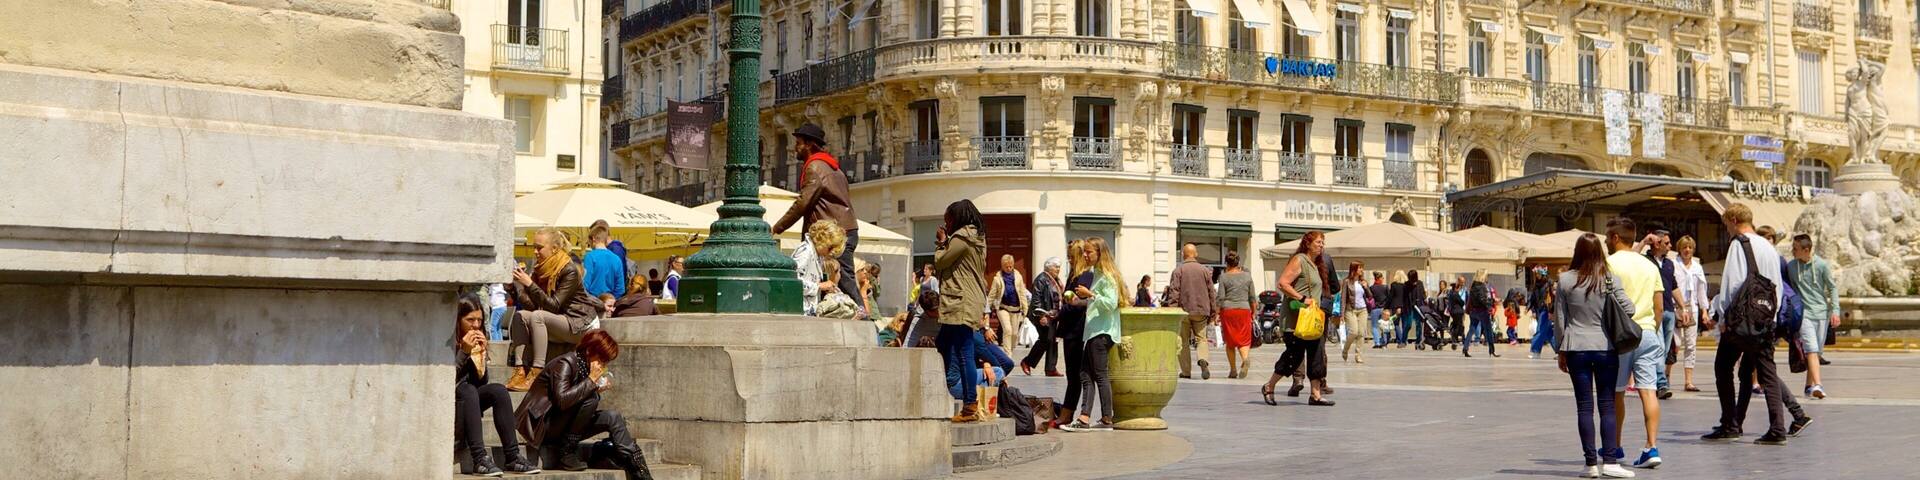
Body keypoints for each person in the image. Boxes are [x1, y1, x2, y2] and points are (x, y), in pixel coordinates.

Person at [1702, 205, 1795, 445]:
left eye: (1726, 224)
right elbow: (1776, 284)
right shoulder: (1768, 246)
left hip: (1741, 321)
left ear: (1733, 220)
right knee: (1768, 372)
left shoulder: (1739, 243)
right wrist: (1772, 317)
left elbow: (1732, 284)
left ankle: (1730, 424)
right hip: (1766, 319)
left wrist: (1721, 317)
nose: (1727, 229)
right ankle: (1777, 428)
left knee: (1723, 368)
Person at [511, 330, 653, 478]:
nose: (603, 364)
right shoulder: (564, 363)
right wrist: (591, 382)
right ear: (589, 350)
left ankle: (638, 470)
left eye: (606, 361)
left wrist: (595, 388)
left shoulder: (584, 366)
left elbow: (576, 401)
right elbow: (562, 401)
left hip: (563, 425)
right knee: (591, 400)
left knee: (613, 417)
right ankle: (566, 452)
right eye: (602, 359)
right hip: (541, 426)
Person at [1554, 234, 1635, 479]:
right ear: (1600, 251)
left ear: (1577, 252)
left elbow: (1560, 319)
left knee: (1584, 407)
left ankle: (1590, 464)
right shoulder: (1609, 279)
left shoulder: (1565, 280)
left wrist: (1560, 350)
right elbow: (1630, 309)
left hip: (1576, 346)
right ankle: (1610, 460)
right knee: (1607, 405)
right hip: (1605, 347)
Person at [772, 123, 861, 308]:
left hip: (832, 235)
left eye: (798, 143)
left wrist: (777, 228)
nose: (794, 147)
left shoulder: (815, 167)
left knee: (844, 280)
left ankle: (864, 320)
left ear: (809, 144)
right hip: (843, 229)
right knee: (837, 279)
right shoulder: (833, 167)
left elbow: (803, 203)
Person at [1602, 218, 1666, 469]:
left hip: (1620, 335)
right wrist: (1652, 328)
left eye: (1608, 237)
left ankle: (1615, 446)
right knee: (1648, 390)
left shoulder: (1608, 263)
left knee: (1616, 392)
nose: (1606, 241)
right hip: (1648, 332)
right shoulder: (1650, 266)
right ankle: (1651, 447)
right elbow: (1659, 306)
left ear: (1616, 237)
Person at [454, 295, 541, 476]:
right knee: (467, 389)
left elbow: (481, 384)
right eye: (470, 320)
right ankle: (479, 459)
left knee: (498, 390)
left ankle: (513, 456)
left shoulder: (475, 340)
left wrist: (481, 358)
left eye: (479, 320)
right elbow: (447, 381)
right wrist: (463, 352)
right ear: (458, 320)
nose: (476, 325)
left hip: (468, 404)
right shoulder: (448, 344)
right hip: (450, 408)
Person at [508, 228, 604, 392]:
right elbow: (531, 306)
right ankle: (520, 370)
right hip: (561, 320)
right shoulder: (541, 268)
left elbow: (553, 305)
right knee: (520, 316)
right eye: (534, 247)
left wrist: (530, 284)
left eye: (539, 247)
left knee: (537, 317)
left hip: (579, 323)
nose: (535, 252)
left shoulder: (569, 270)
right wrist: (518, 286)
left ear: (554, 249)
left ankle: (537, 372)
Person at [1262, 231, 1334, 407]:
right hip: (1296, 320)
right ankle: (1269, 386)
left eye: (1323, 242)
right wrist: (1302, 298)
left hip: (1312, 318)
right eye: (1318, 242)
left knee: (1317, 354)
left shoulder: (1317, 264)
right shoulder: (1299, 259)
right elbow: (1283, 283)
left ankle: (1315, 394)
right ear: (1308, 243)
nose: (1321, 245)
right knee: (1294, 356)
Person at [933, 200, 989, 423]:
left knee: (964, 353)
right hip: (968, 299)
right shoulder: (977, 236)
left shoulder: (962, 238)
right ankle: (942, 392)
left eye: (948, 219)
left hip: (960, 300)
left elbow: (941, 261)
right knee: (943, 345)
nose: (946, 223)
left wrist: (941, 243)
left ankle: (970, 406)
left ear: (956, 218)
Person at [1060, 237, 1124, 431]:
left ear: (1099, 253)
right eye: (1085, 252)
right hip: (1094, 330)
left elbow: (1111, 304)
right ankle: (1093, 418)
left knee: (1097, 375)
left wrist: (1090, 294)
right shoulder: (1096, 273)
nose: (1085, 255)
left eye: (1089, 252)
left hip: (1102, 331)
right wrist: (1081, 301)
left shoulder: (1107, 276)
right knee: (1086, 374)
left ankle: (1098, 418)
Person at [1787, 234, 1839, 399]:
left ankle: (1809, 386)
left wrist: (1835, 311)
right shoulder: (1791, 267)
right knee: (1811, 349)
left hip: (1822, 314)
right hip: (1804, 314)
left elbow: (1832, 288)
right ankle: (1818, 385)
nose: (1792, 251)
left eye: (1795, 249)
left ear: (1806, 250)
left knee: (1816, 352)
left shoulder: (1822, 265)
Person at [1634, 229, 1681, 400]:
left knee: (1665, 348)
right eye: (1667, 243)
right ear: (1657, 243)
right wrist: (1643, 241)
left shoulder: (1669, 263)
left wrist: (1683, 307)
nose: (1670, 246)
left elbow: (1674, 285)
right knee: (1659, 347)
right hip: (1654, 310)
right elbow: (1630, 258)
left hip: (1669, 310)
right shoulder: (1645, 260)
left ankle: (1655, 382)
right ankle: (1661, 384)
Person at [1053, 240, 1095, 427]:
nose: (1069, 260)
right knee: (1073, 374)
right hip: (1071, 329)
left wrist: (1058, 314)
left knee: (1075, 374)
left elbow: (1077, 304)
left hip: (1076, 330)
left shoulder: (1083, 276)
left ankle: (1068, 413)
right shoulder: (1076, 274)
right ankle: (1067, 412)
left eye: (1071, 256)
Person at [1169, 244, 1219, 380]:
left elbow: (1174, 292)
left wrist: (1172, 310)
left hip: (1183, 311)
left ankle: (1186, 371)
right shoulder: (1204, 270)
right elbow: (1211, 293)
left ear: (1183, 255)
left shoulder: (1178, 271)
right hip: (1201, 310)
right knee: (1201, 338)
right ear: (1195, 254)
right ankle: (1203, 359)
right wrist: (1213, 312)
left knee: (1183, 341)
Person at [791, 221, 849, 317]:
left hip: (807, 312)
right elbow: (793, 281)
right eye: (830, 248)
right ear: (823, 241)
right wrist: (819, 286)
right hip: (800, 312)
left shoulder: (817, 254)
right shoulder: (805, 251)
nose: (831, 253)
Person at [1021, 257, 1065, 377]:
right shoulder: (1041, 279)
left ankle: (1050, 368)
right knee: (1046, 339)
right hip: (1043, 314)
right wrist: (1041, 316)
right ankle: (1027, 361)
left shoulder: (1055, 280)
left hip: (1054, 315)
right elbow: (1036, 299)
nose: (1058, 269)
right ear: (1049, 267)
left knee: (1052, 340)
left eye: (1059, 267)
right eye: (1056, 267)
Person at [1217, 251, 1258, 377]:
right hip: (1244, 309)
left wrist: (1217, 313)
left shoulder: (1223, 277)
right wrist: (1254, 312)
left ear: (1226, 263)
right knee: (1244, 340)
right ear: (1238, 262)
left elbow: (1220, 298)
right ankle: (1245, 359)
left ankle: (1233, 370)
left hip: (1228, 311)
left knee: (1230, 342)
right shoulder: (1247, 276)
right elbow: (1252, 297)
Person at [1673, 236, 1706, 392]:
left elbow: (1701, 290)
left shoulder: (1697, 267)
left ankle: (1688, 381)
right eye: (1684, 247)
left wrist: (1704, 311)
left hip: (1692, 307)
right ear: (1679, 249)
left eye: (1690, 247)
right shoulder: (1674, 265)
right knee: (1675, 344)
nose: (1687, 250)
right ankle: (1665, 377)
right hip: (1675, 307)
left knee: (1691, 345)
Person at [986, 254, 1031, 353]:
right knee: (1008, 330)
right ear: (1002, 266)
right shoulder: (997, 279)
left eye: (1011, 266)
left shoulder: (1018, 276)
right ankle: (1008, 355)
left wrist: (1026, 309)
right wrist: (986, 309)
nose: (1009, 268)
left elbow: (1022, 293)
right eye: (1006, 266)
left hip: (1016, 309)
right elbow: (992, 295)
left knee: (1014, 334)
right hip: (1003, 308)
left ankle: (1011, 349)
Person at [580, 223, 627, 300]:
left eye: (589, 241)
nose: (589, 244)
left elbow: (585, 285)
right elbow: (621, 289)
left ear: (594, 239)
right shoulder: (616, 259)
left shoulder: (590, 257)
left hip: (593, 302)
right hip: (611, 303)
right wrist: (610, 301)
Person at [1465, 269, 1499, 358]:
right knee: (1488, 330)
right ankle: (1492, 350)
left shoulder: (1472, 286)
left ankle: (1465, 348)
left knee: (1471, 330)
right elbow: (1483, 299)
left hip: (1473, 311)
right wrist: (1491, 304)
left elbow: (1471, 299)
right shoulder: (1482, 286)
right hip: (1482, 311)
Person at [1340, 262, 1369, 364]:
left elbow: (1370, 296)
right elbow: (1343, 299)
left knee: (1361, 333)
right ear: (1354, 269)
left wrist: (1366, 287)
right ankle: (1345, 349)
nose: (1362, 270)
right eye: (1360, 268)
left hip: (1363, 310)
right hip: (1350, 309)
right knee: (1353, 332)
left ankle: (1358, 355)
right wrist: (1342, 314)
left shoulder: (1363, 282)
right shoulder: (1346, 282)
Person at [1530, 267, 1558, 359]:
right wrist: (1531, 309)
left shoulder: (1549, 284)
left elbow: (1553, 298)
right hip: (1539, 310)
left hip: (1546, 310)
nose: (1537, 276)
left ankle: (1535, 351)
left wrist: (1551, 311)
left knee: (1540, 330)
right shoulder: (1536, 285)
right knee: (1549, 333)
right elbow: (1533, 299)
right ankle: (1559, 351)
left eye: (1538, 274)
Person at [1399, 271, 1426, 350]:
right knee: (1408, 324)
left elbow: (1423, 294)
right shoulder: (1406, 285)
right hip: (1409, 307)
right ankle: (1404, 341)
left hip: (1418, 307)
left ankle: (1418, 342)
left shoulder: (1420, 283)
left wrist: (1424, 301)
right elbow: (1403, 297)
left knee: (1419, 325)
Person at [1369, 272, 1392, 348]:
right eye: (1382, 278)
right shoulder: (1385, 287)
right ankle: (1384, 342)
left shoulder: (1371, 288)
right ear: (1379, 279)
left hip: (1374, 309)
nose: (1383, 279)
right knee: (1384, 326)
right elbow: (1389, 298)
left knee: (1375, 326)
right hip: (1384, 309)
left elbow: (1369, 298)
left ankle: (1377, 342)